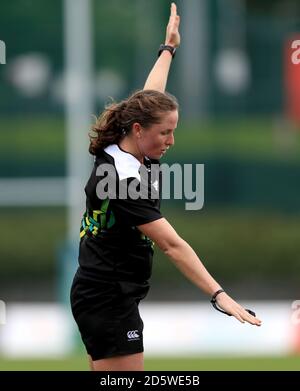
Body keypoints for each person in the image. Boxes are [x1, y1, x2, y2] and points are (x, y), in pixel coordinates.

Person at [70, 3, 262, 372]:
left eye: (173, 130)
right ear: (139, 130)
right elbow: (172, 245)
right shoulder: (123, 183)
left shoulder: (127, 147)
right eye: (165, 132)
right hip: (107, 296)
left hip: (105, 291)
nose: (171, 141)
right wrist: (220, 296)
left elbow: (149, 97)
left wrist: (168, 48)